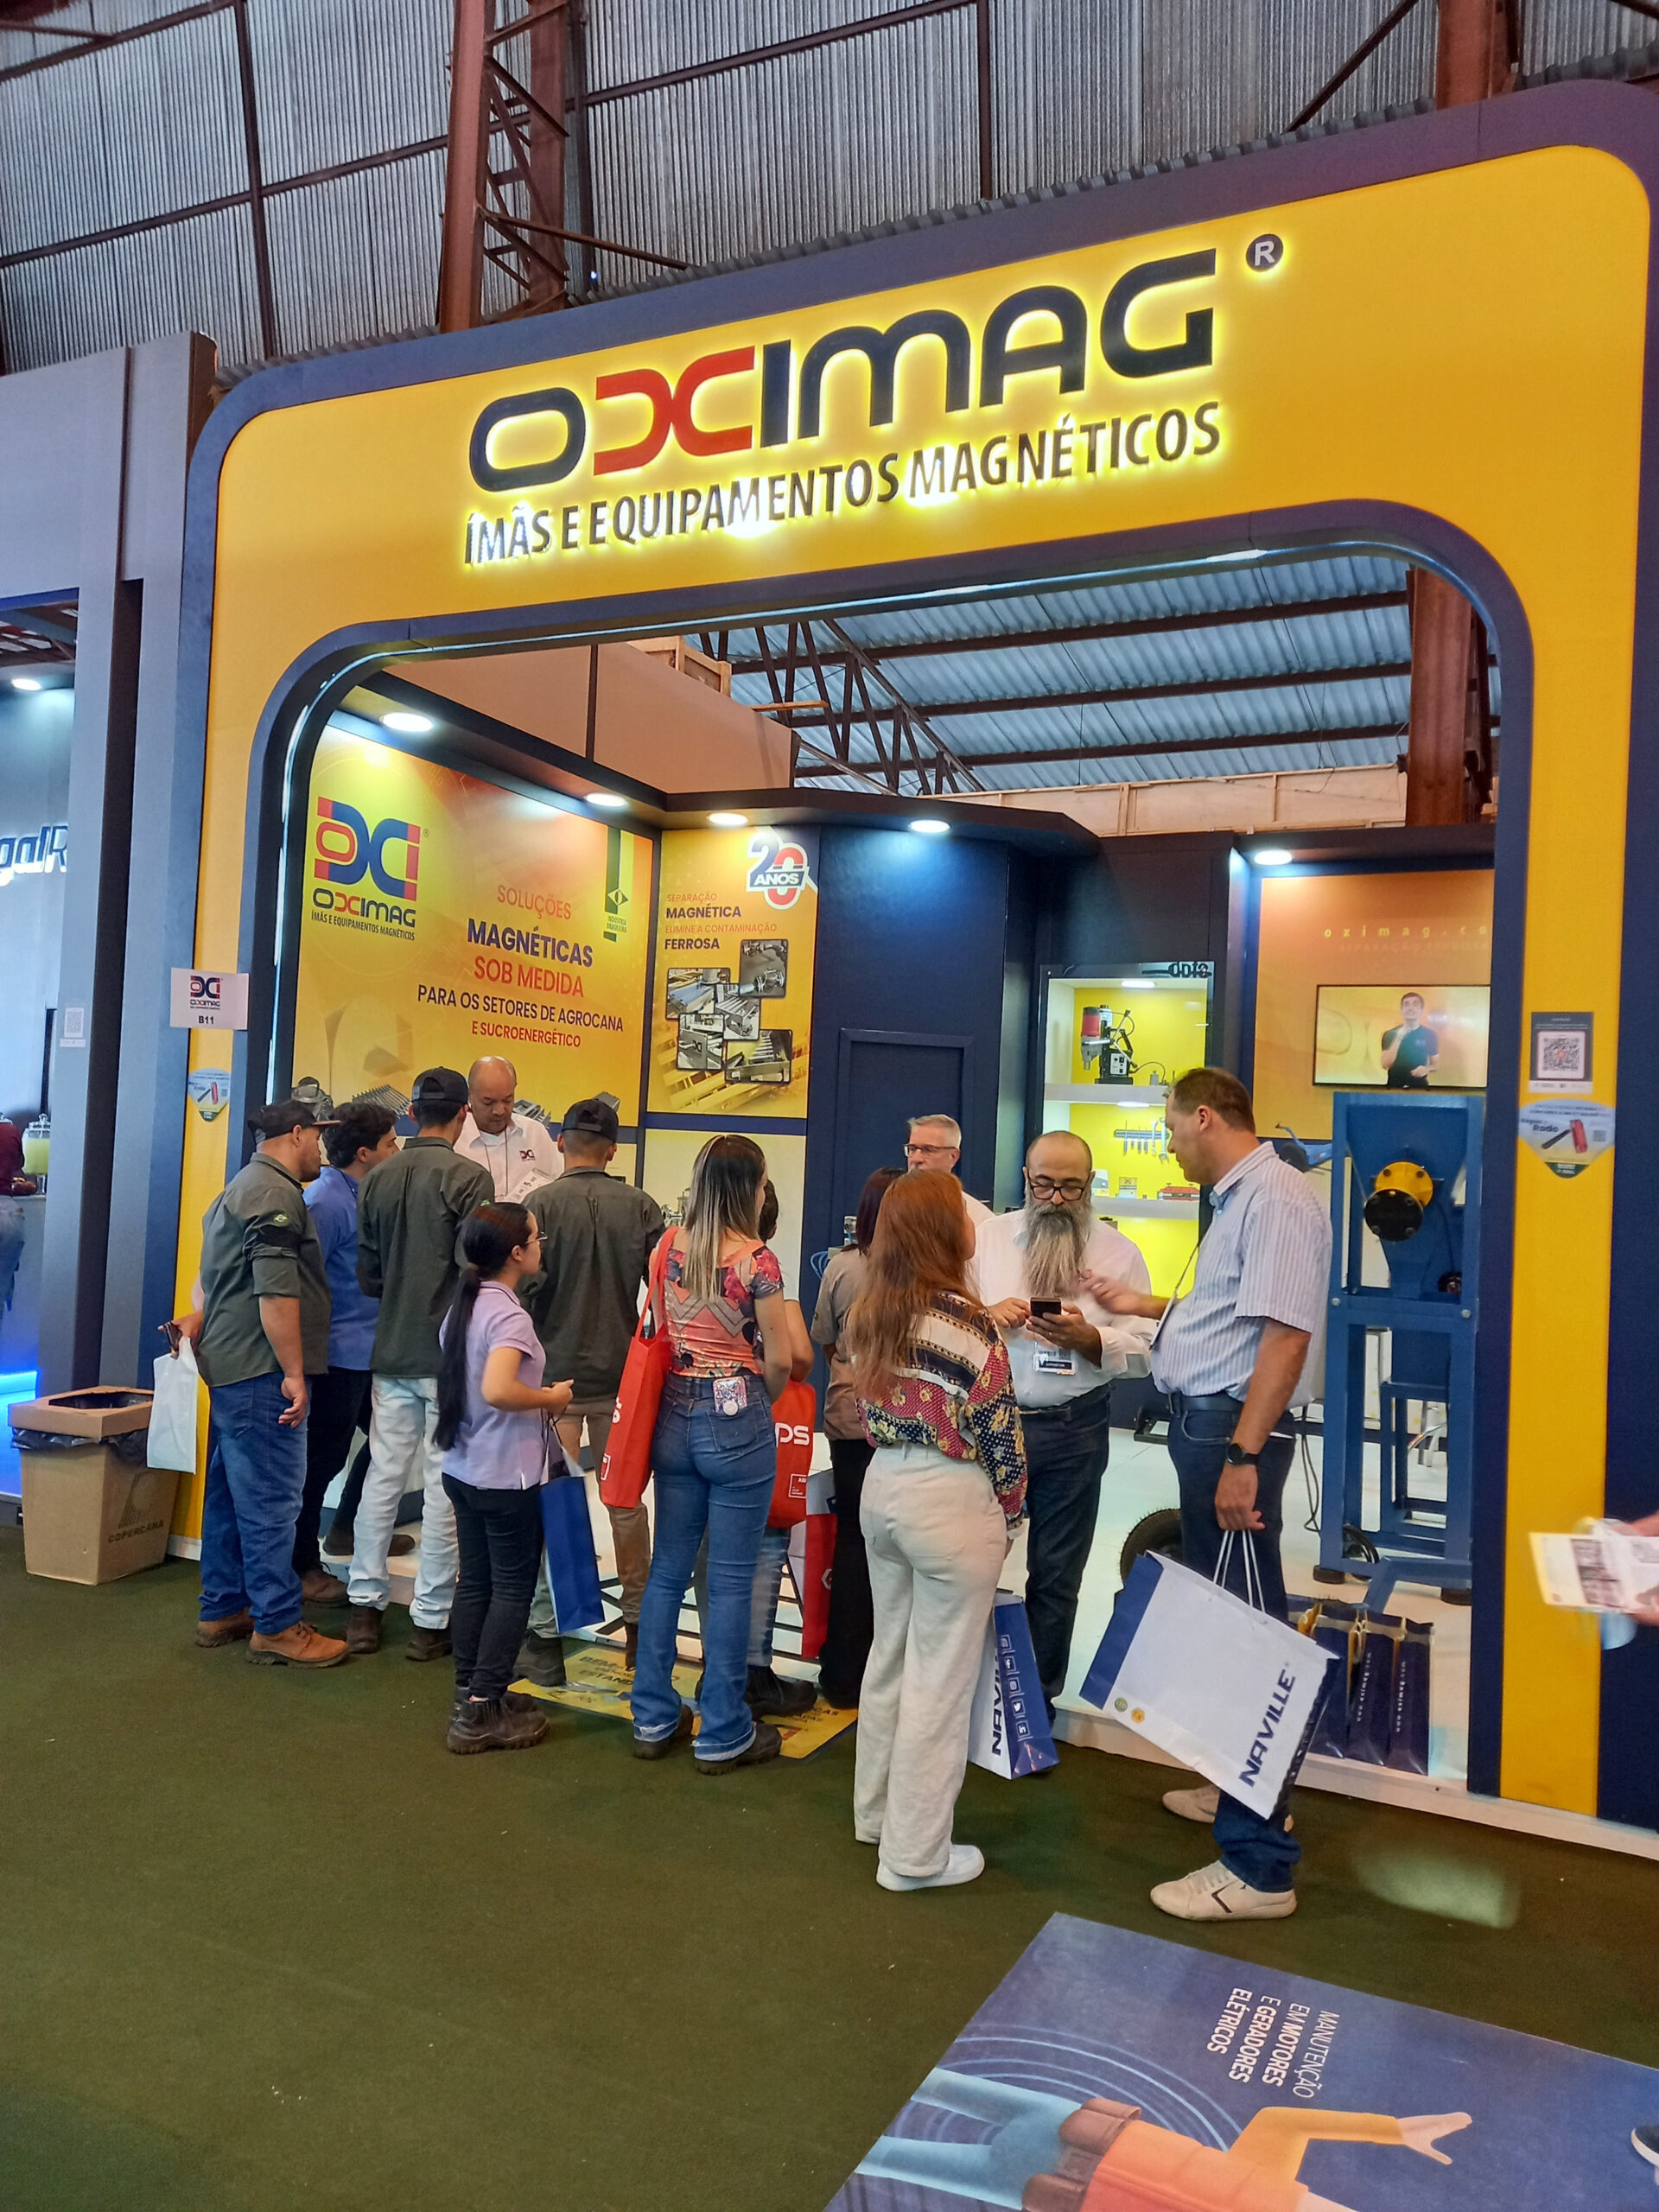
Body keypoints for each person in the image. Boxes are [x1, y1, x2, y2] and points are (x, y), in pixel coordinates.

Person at [1087, 1066, 1331, 1924]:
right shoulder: (1243, 1199)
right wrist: (1146, 1304)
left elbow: (1285, 1337)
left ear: (1204, 1117)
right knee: (1225, 1624)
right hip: (1212, 1425)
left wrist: (1242, 1456)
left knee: (1248, 1643)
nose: (1167, 1143)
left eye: (1169, 1127)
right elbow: (1231, 1312)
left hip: (1233, 1433)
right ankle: (1235, 1783)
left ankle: (1259, 1865)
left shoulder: (1276, 1201)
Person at [847, 1173, 1027, 1891]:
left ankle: (875, 1816)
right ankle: (915, 1857)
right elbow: (1000, 1435)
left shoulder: (870, 1311)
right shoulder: (972, 1324)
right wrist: (1011, 1512)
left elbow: (866, 1414)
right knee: (940, 1682)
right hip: (952, 1499)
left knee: (889, 1658)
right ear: (946, 1232)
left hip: (884, 1486)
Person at [972, 1130, 1156, 1716]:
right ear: (1026, 1179)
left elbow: (1147, 1349)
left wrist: (1090, 1339)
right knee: (970, 1562)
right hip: (992, 1422)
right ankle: (972, 1692)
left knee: (1056, 1573)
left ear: (1091, 1185)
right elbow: (951, 1316)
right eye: (1045, 1184)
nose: (1055, 1199)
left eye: (1071, 1187)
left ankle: (1035, 1702)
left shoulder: (1119, 1253)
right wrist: (986, 1316)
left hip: (1075, 1426)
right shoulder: (987, 1240)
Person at [629, 1135, 792, 1772]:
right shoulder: (759, 1262)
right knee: (727, 1581)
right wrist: (755, 1403)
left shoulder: (669, 1246)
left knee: (667, 1570)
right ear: (750, 1188)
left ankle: (651, 1714)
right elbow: (780, 1360)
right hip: (737, 1415)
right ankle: (723, 1729)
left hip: (674, 1411)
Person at [176, 1100, 347, 1669]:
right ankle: (276, 1624)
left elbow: (215, 1279)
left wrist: (202, 1317)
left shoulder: (239, 1187)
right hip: (261, 1370)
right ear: (296, 1134)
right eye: (316, 1136)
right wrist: (294, 1373)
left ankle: (224, 1607)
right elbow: (275, 1292)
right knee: (272, 1500)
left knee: (230, 1495)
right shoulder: (275, 1195)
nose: (320, 1148)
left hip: (231, 1366)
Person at [346, 1067, 494, 1660]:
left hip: (390, 1350)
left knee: (382, 1477)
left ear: (410, 1113)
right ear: (464, 1114)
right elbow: (475, 1273)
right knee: (442, 1486)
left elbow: (369, 1276)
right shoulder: (470, 1177)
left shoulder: (378, 1178)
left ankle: (364, 1607)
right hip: (447, 1358)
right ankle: (430, 1621)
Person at [517, 1096, 664, 1683]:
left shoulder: (538, 1206)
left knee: (551, 1503)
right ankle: (639, 1631)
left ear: (560, 1142)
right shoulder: (642, 1207)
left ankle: (546, 1639)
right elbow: (663, 1296)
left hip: (552, 1381)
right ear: (613, 1151)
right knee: (626, 1505)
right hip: (621, 1380)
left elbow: (521, 1296)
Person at [435, 1204, 574, 1753]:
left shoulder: (466, 1305)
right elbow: (497, 1388)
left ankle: (471, 1693)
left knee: (476, 1582)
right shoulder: (510, 1317)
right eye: (537, 1238)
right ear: (517, 1253)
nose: (542, 1245)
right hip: (505, 1476)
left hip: (464, 1467)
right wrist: (550, 1397)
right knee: (512, 1589)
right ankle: (482, 1707)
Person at [295, 1101, 398, 1605]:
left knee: (389, 1444)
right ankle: (301, 1565)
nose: (397, 1150)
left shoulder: (364, 1194)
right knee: (320, 1463)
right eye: (390, 1144)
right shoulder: (326, 1202)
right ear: (364, 1152)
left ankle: (351, 1530)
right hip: (336, 1357)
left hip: (368, 1352)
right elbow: (300, 1283)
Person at [810, 1165, 905, 1707]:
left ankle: (844, 1674)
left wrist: (852, 1365)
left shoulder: (843, 1267)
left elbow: (825, 1340)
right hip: (908, 1427)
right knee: (899, 1547)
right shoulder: (922, 1274)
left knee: (852, 1539)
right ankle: (888, 1676)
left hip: (849, 1416)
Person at [455, 1055, 562, 1198]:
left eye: (507, 1100)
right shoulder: (455, 1138)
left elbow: (558, 1185)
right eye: (488, 1102)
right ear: (470, 1096)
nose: (499, 1111)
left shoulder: (535, 1133)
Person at [905, 1114, 992, 1226]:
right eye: (912, 1149)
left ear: (953, 1156)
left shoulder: (979, 1221)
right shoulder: (892, 1207)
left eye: (929, 1150)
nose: (916, 1159)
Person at [1381, 991, 1439, 1088]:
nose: (1410, 1008)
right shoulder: (1390, 1034)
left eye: (1415, 1004)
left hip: (1419, 1088)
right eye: (1406, 1004)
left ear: (1421, 1010)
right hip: (1394, 1088)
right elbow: (1385, 1064)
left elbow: (1435, 1064)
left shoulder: (1430, 1034)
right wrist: (1399, 1037)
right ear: (1402, 1010)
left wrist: (1426, 1069)